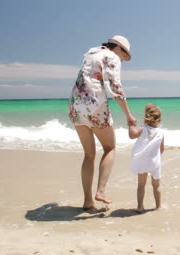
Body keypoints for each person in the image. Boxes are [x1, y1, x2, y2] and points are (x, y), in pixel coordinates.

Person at [68, 35, 136, 209]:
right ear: (119, 48)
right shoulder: (112, 56)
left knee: (89, 154)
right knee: (110, 148)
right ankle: (101, 191)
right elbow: (115, 87)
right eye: (124, 55)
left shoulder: (91, 53)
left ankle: (87, 201)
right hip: (95, 105)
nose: (122, 59)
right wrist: (128, 115)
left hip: (76, 106)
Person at [128, 103, 165, 213]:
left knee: (141, 185)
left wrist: (130, 126)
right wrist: (155, 156)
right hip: (155, 162)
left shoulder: (142, 128)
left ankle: (140, 207)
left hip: (143, 161)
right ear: (159, 119)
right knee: (156, 185)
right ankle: (158, 206)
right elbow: (161, 149)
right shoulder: (161, 132)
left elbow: (132, 135)